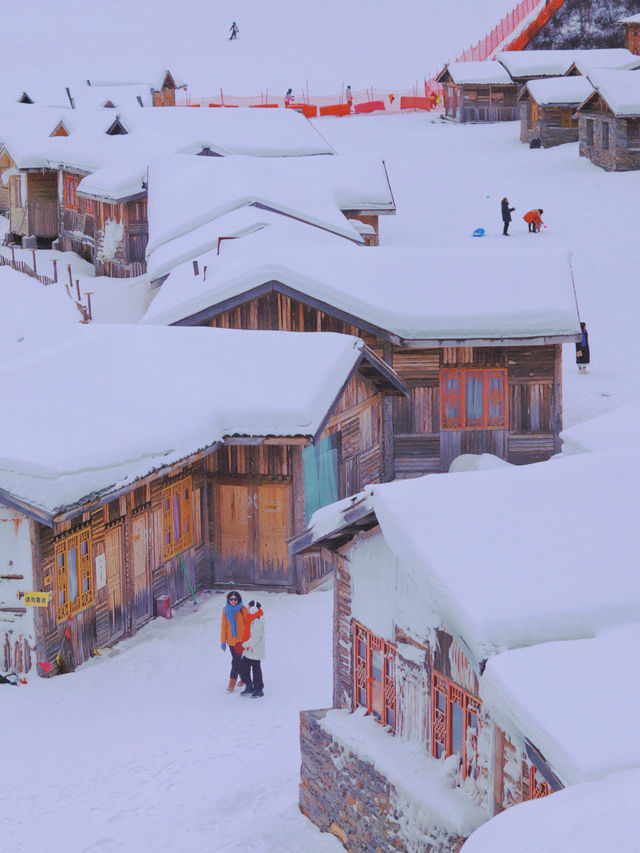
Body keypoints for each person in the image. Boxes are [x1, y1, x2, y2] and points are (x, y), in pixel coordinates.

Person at [220, 590, 248, 692]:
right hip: (231, 641)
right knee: (237, 661)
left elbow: (248, 624)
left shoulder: (243, 609)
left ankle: (231, 684)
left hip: (241, 641)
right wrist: (223, 641)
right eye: (231, 599)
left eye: (235, 599)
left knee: (235, 661)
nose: (233, 601)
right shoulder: (225, 610)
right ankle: (244, 679)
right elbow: (224, 627)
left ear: (238, 599)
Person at [240, 600, 266, 698]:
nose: (248, 609)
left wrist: (244, 644)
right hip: (248, 650)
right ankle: (249, 686)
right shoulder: (250, 619)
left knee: (256, 670)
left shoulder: (258, 622)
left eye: (249, 607)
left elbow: (255, 639)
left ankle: (259, 689)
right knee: (244, 668)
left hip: (255, 650)